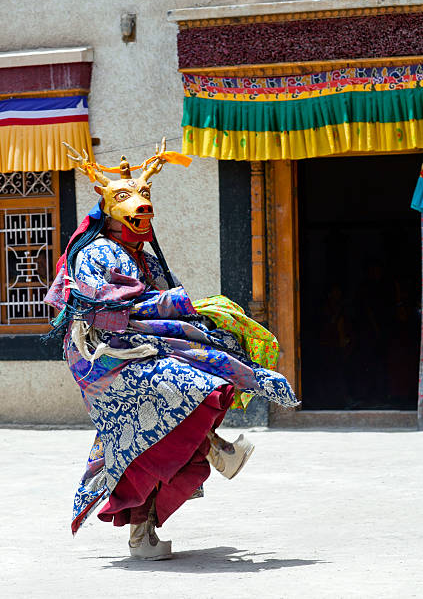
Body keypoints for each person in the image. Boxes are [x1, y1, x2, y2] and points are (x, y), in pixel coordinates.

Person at [43, 139, 298, 560]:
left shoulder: (143, 256)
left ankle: (145, 532)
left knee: (155, 436)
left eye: (144, 195)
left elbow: (165, 296)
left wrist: (202, 316)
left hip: (147, 346)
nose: (140, 203)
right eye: (126, 196)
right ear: (106, 205)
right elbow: (109, 308)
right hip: (107, 359)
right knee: (190, 390)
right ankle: (216, 450)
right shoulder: (95, 252)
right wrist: (179, 308)